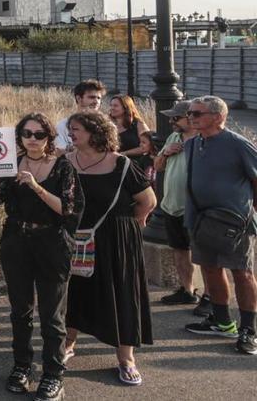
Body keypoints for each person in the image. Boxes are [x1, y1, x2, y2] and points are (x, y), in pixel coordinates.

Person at [0, 113, 83, 399]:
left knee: (51, 315)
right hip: (17, 241)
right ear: (19, 136)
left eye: (39, 134)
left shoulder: (62, 165)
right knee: (20, 311)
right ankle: (22, 366)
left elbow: (68, 210)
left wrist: (35, 187)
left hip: (51, 242)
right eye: (27, 134)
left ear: (49, 136)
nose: (32, 140)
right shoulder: (10, 163)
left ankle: (53, 373)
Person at [63, 110, 156, 386]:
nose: (71, 133)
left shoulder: (122, 164)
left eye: (76, 128)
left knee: (122, 293)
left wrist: (131, 224)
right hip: (76, 238)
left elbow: (147, 201)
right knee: (73, 291)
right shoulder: (65, 161)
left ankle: (126, 357)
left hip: (116, 237)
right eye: (71, 128)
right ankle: (67, 343)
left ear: (95, 132)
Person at [182, 95, 257, 355]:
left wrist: (249, 213)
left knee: (242, 273)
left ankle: (249, 330)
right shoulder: (193, 143)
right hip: (201, 220)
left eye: (197, 113)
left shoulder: (238, 144)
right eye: (190, 113)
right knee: (210, 270)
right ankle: (223, 322)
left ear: (217, 117)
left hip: (234, 223)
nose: (191, 117)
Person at [152, 101, 205, 308]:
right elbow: (157, 165)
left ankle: (210, 297)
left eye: (176, 118)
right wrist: (165, 153)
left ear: (191, 118)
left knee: (203, 255)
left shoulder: (204, 139)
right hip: (171, 205)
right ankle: (187, 289)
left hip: (195, 207)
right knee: (179, 250)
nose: (171, 121)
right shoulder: (173, 137)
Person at [54, 79, 106, 153]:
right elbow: (59, 151)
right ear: (79, 98)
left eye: (99, 98)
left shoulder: (104, 125)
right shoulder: (63, 125)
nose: (96, 102)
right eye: (91, 97)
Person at [109, 94, 153, 171]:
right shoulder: (108, 124)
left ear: (126, 108)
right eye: (111, 105)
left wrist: (125, 153)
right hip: (112, 165)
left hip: (135, 166)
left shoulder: (138, 124)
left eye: (115, 106)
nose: (112, 108)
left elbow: (148, 146)